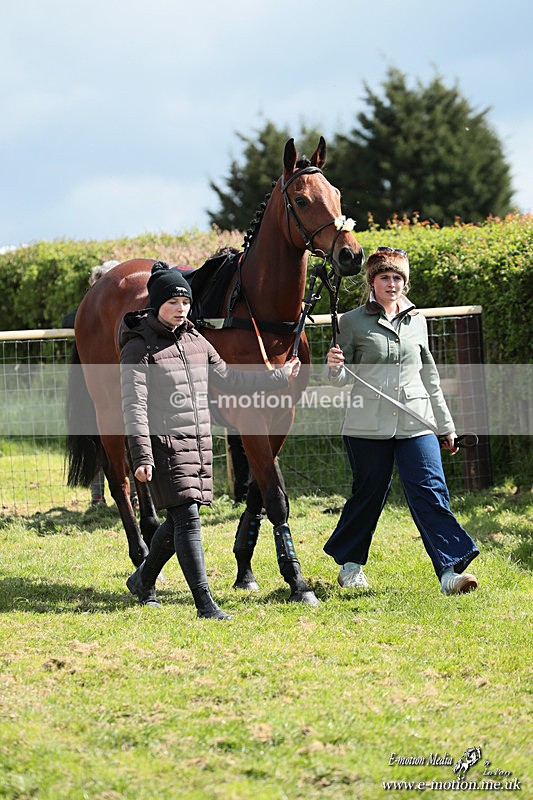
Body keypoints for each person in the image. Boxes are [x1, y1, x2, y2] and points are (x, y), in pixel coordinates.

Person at [121, 261, 301, 618]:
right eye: (172, 303)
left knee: (176, 522)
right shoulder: (138, 348)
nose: (180, 309)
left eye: (185, 303)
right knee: (187, 520)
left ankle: (143, 580)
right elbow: (134, 406)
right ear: (156, 304)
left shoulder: (195, 340)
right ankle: (205, 603)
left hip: (198, 444)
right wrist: (142, 456)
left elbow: (231, 379)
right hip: (164, 447)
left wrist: (278, 378)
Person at [324, 247, 479, 596]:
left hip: (416, 420)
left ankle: (449, 571)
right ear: (372, 282)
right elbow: (338, 378)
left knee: (430, 491)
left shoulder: (417, 320)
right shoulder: (350, 321)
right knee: (369, 494)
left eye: (397, 278)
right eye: (384, 278)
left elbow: (430, 376)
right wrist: (334, 366)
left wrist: (446, 425)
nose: (391, 284)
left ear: (404, 282)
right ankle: (350, 567)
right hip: (367, 424)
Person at [61, 260, 138, 509]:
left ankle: (136, 495)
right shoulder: (88, 314)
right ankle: (98, 496)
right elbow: (69, 320)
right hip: (97, 383)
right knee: (97, 437)